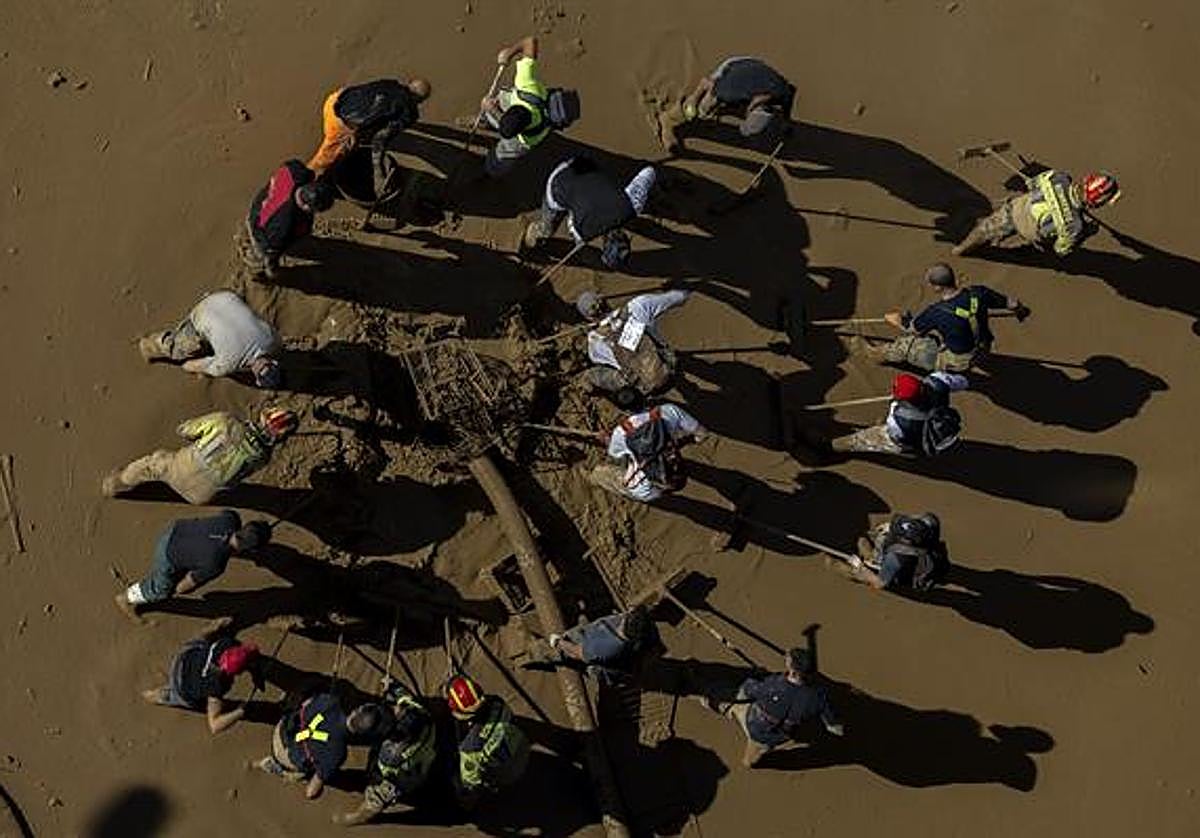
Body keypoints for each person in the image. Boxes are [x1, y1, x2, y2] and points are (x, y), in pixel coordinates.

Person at [101, 406, 298, 505]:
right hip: (199, 497)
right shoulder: (263, 458)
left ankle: (117, 483)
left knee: (154, 463)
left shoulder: (226, 422)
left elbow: (184, 430)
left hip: (178, 470)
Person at [865, 264, 1030, 372]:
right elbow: (1012, 303)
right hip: (984, 348)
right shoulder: (978, 293)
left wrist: (895, 320)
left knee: (907, 344)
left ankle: (876, 354)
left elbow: (912, 329)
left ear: (937, 287)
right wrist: (1020, 311)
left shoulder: (936, 312)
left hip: (959, 360)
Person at [114, 510, 272, 622]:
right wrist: (177, 586)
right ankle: (126, 598)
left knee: (189, 560)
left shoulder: (231, 519)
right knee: (163, 590)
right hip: (166, 555)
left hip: (174, 530)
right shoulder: (215, 564)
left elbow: (223, 516)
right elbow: (183, 588)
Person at [523, 155, 656, 271]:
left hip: (583, 164)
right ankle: (531, 241)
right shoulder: (580, 232)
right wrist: (581, 239)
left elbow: (649, 171)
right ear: (604, 245)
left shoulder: (633, 205)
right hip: (558, 183)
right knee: (547, 228)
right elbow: (572, 219)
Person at [717, 646, 842, 768]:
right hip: (778, 737)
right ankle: (752, 760)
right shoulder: (818, 698)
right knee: (750, 761)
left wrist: (756, 677)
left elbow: (750, 689)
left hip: (755, 727)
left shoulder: (773, 685)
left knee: (736, 695)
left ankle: (724, 707)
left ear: (793, 671)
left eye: (788, 660)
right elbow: (834, 727)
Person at [333, 682, 438, 826]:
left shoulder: (389, 756)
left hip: (410, 772)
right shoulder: (411, 711)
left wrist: (376, 777)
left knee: (380, 791)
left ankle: (361, 815)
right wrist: (394, 687)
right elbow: (405, 698)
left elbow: (387, 774)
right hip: (430, 738)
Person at [953, 169, 1120, 257]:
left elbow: (1032, 184)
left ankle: (961, 249)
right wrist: (1086, 233)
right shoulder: (1075, 226)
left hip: (1014, 211)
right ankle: (1014, 246)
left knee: (984, 229)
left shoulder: (1058, 177)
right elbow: (1061, 250)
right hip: (1029, 234)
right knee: (1043, 241)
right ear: (1097, 203)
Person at [306, 77, 433, 192]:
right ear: (420, 101)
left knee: (355, 141)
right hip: (339, 124)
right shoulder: (407, 114)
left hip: (335, 99)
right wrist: (379, 173)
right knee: (326, 157)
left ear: (409, 83)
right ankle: (306, 181)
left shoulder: (390, 83)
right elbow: (379, 141)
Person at [141, 616, 261, 735]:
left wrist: (255, 672)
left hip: (182, 659)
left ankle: (214, 626)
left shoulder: (224, 644)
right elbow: (214, 725)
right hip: (181, 688)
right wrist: (241, 711)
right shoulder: (217, 685)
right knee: (179, 696)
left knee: (202, 640)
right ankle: (163, 695)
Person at [137, 290, 283, 387]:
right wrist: (196, 369)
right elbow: (190, 366)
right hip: (202, 312)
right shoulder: (227, 364)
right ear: (256, 379)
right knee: (181, 348)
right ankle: (149, 346)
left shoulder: (274, 339)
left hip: (226, 296)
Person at [481, 35, 576, 177]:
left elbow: (507, 128)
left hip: (518, 141)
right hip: (512, 104)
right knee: (497, 103)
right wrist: (510, 53)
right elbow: (530, 41)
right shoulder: (526, 84)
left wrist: (492, 109)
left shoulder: (528, 139)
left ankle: (492, 170)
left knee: (502, 156)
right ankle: (486, 119)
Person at [256, 693, 381, 799]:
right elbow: (310, 792)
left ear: (356, 710)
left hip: (280, 731)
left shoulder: (330, 701)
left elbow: (306, 703)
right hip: (286, 756)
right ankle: (280, 770)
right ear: (362, 734)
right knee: (310, 772)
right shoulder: (338, 753)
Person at [576, 289, 690, 405]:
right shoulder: (638, 306)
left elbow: (599, 360)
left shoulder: (594, 341)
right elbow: (680, 297)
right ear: (606, 301)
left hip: (645, 388)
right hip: (672, 369)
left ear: (589, 318)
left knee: (592, 374)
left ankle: (630, 402)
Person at [664, 56, 795, 151]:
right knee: (703, 109)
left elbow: (790, 93)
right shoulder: (728, 91)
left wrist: (786, 123)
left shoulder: (782, 91)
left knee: (727, 106)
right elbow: (705, 83)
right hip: (734, 67)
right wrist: (694, 98)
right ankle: (668, 120)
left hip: (756, 71)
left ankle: (725, 110)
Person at [822, 372, 967, 458]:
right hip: (939, 424)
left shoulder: (899, 417)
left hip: (907, 437)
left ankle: (831, 446)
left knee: (867, 439)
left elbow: (895, 435)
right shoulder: (938, 381)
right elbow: (962, 382)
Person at [589, 403, 706, 503]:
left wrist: (607, 439)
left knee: (600, 474)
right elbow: (703, 434)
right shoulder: (669, 410)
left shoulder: (620, 433)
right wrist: (682, 443)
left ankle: (592, 477)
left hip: (644, 488)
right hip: (675, 475)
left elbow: (614, 455)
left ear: (625, 410)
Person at [447, 675, 530, 807]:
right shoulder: (498, 703)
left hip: (508, 772)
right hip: (522, 747)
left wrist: (467, 794)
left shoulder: (470, 748)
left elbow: (471, 784)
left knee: (458, 781)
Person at [244, 159, 335, 276]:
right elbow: (271, 246)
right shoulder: (285, 224)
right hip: (261, 231)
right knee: (264, 259)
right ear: (307, 207)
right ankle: (259, 269)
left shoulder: (296, 171)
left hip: (259, 205)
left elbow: (304, 170)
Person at [543, 605, 660, 684]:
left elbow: (577, 652)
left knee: (556, 652)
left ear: (627, 620)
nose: (630, 608)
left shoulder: (606, 647)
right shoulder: (645, 629)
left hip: (589, 652)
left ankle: (544, 656)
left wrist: (558, 642)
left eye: (631, 611)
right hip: (595, 637)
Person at [841, 512, 951, 592]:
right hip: (934, 563)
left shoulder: (895, 557)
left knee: (855, 563)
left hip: (912, 577)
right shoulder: (929, 522)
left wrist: (861, 569)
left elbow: (880, 584)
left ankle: (873, 562)